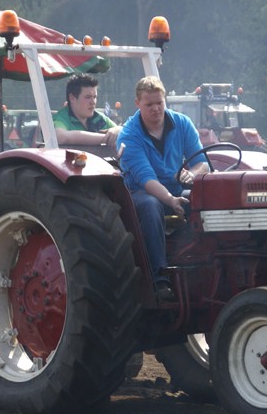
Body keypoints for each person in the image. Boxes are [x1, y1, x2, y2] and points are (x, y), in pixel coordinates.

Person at [116, 76, 208, 301]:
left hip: (175, 189)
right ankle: (159, 279)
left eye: (159, 102)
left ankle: (201, 266)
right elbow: (146, 179)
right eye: (149, 104)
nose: (156, 108)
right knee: (151, 205)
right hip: (140, 193)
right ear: (137, 103)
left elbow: (202, 162)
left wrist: (192, 174)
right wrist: (171, 200)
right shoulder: (129, 136)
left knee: (205, 200)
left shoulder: (182, 123)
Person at [53, 74, 122, 147]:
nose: (93, 102)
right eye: (88, 97)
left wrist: (118, 129)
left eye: (94, 97)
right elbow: (60, 137)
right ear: (72, 98)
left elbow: (123, 132)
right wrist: (106, 138)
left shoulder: (98, 118)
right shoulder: (61, 118)